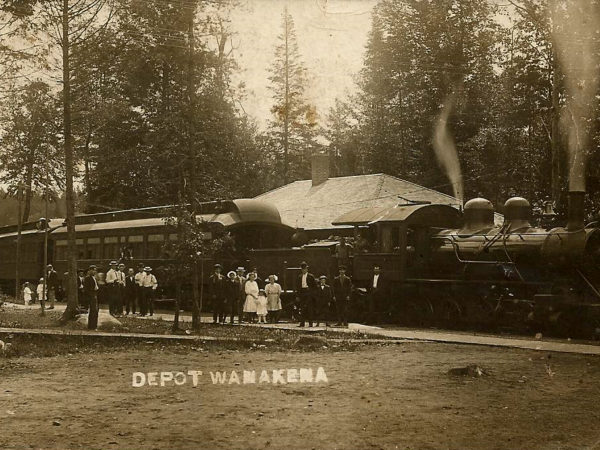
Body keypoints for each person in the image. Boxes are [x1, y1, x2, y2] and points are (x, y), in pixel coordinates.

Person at [295, 261, 317, 327]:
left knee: (309, 308)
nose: (303, 270)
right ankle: (302, 323)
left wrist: (312, 294)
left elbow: (314, 286)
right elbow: (298, 287)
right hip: (302, 292)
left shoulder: (311, 276)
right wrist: (297, 296)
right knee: (302, 308)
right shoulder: (299, 277)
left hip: (309, 292)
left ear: (307, 269)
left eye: (305, 269)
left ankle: (310, 323)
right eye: (302, 269)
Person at [84, 265, 99, 330]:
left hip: (95, 294)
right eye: (93, 270)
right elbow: (86, 289)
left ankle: (94, 325)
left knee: (96, 311)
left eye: (95, 270)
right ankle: (91, 326)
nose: (94, 271)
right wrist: (90, 296)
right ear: (90, 271)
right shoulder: (87, 278)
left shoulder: (94, 278)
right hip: (91, 295)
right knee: (93, 310)